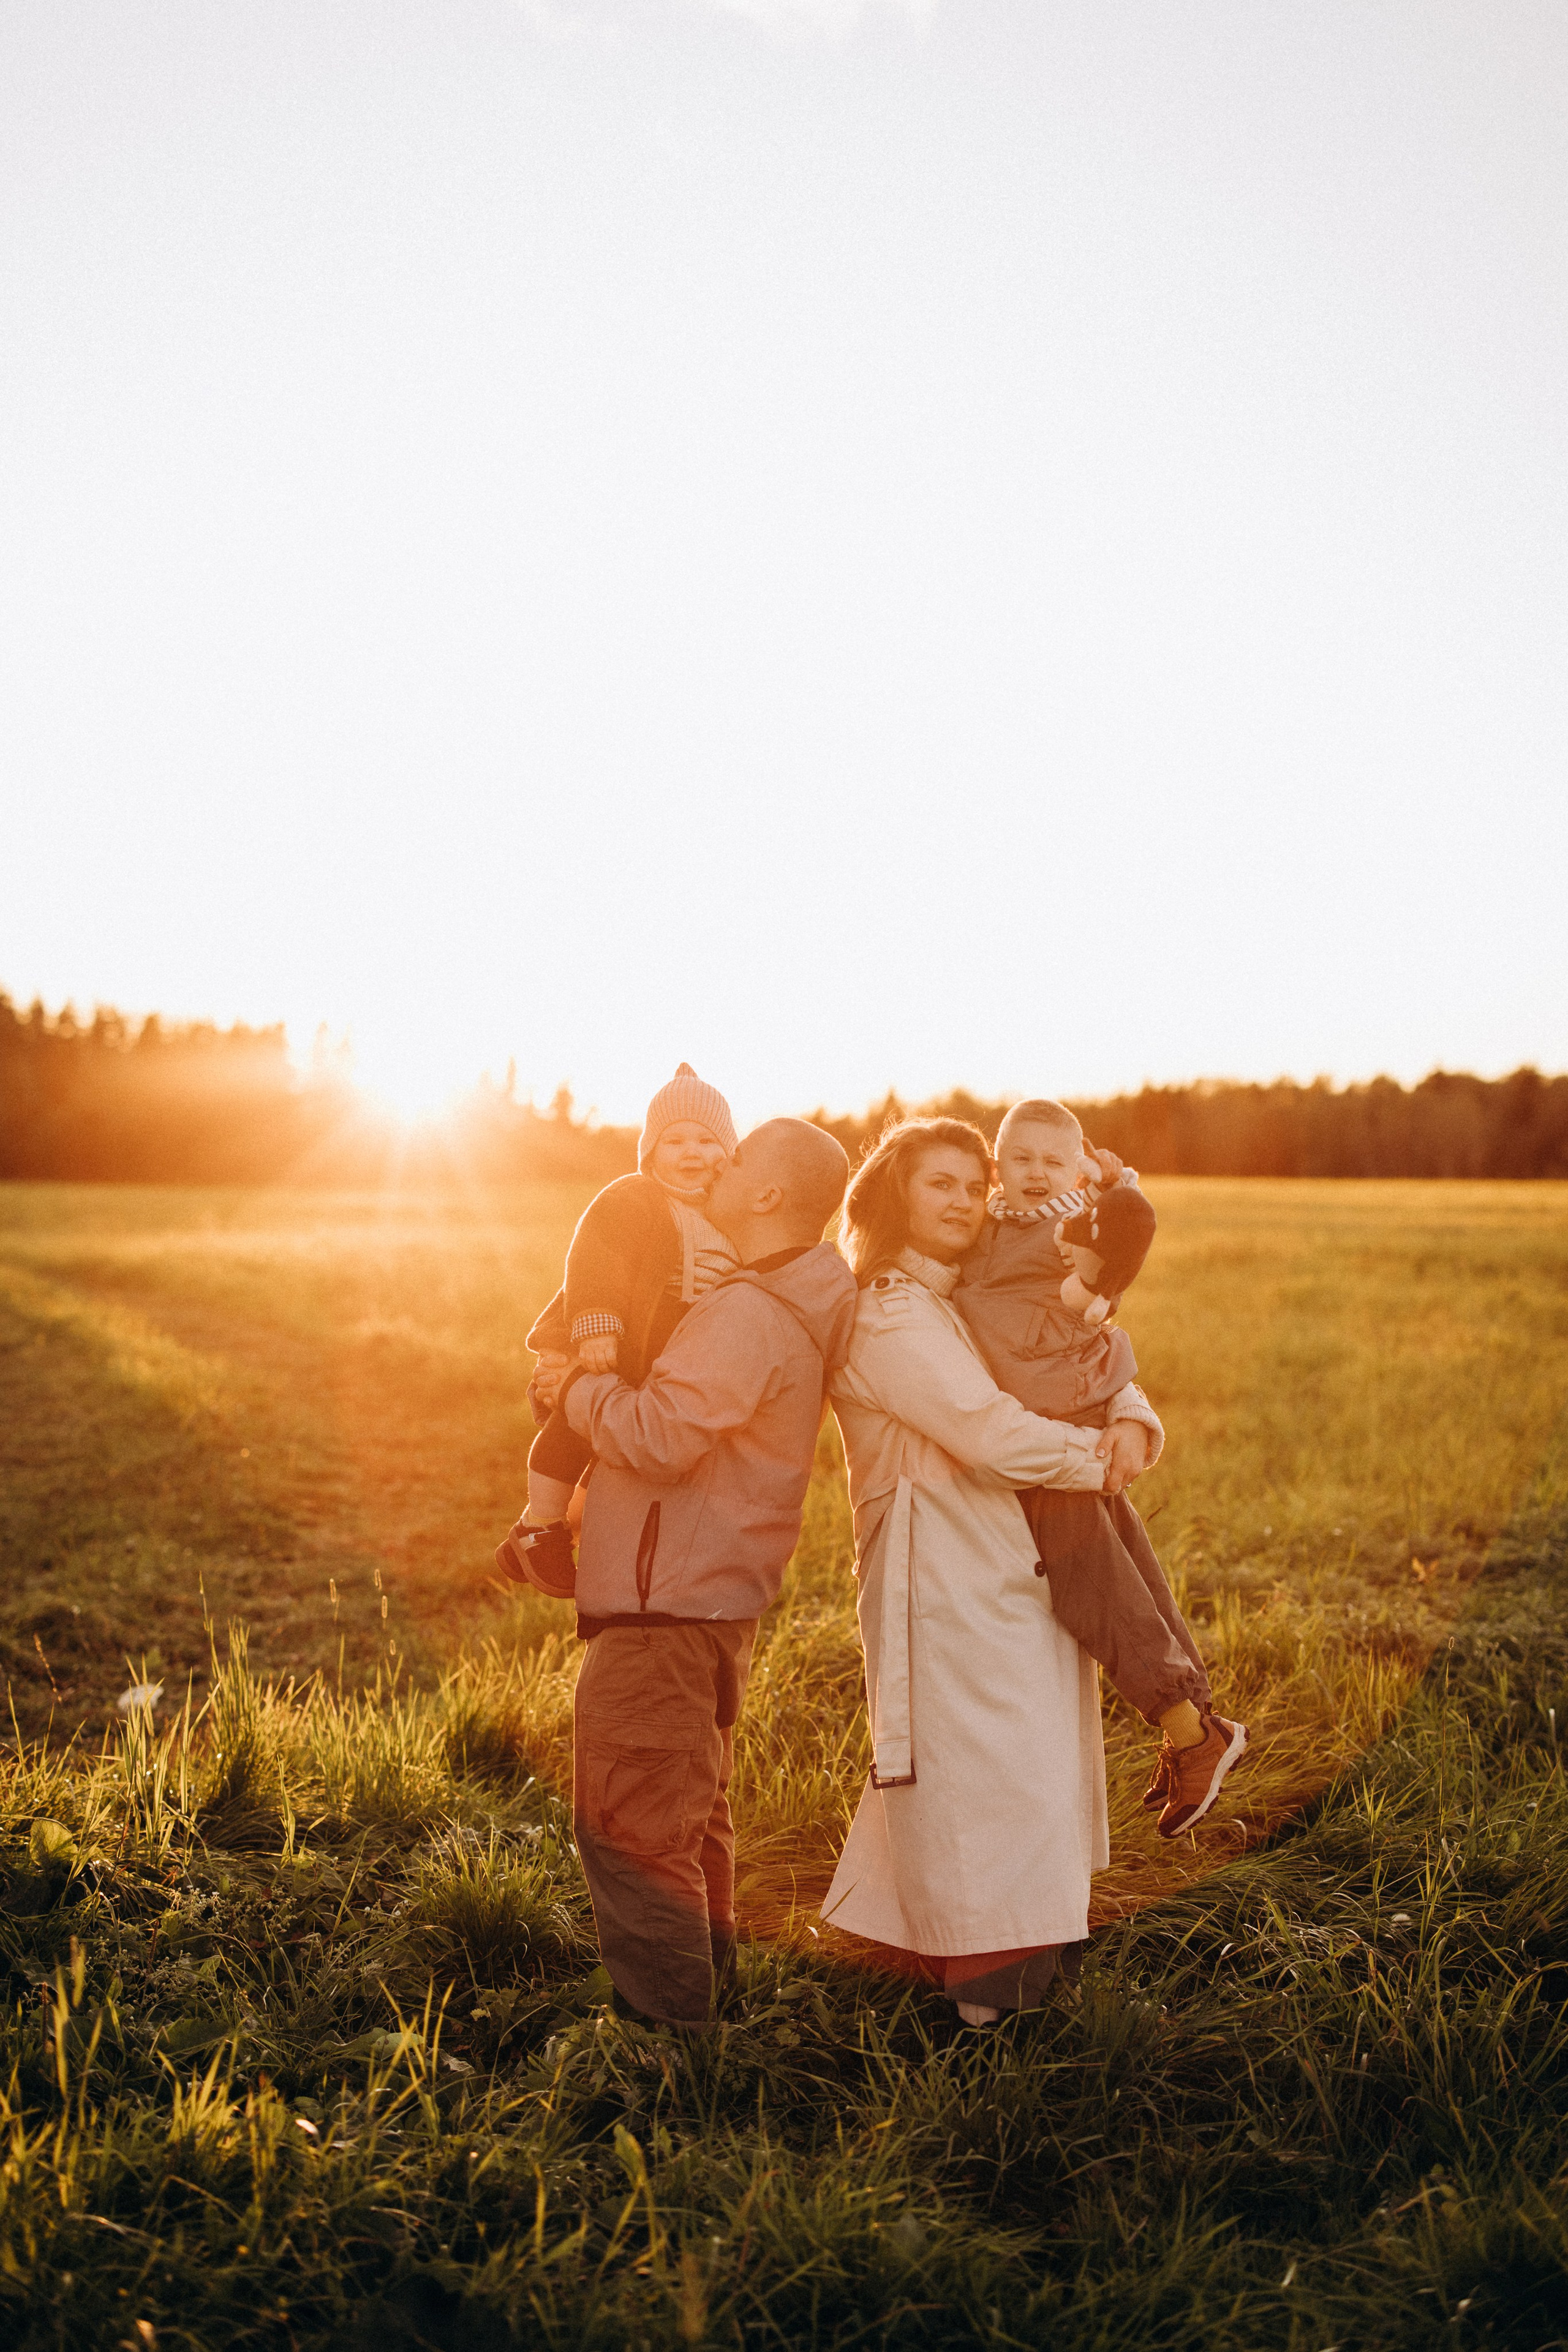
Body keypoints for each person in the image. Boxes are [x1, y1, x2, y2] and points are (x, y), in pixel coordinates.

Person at [821, 1117, 1166, 2027]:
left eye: (975, 1185)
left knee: (1022, 1761)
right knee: (979, 1768)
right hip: (934, 1570)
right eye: (941, 1184)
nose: (967, 1201)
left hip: (1005, 1557)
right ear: (896, 1194)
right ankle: (984, 1999)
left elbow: (1056, 1351)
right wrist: (1103, 1457)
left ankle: (966, 1963)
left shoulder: (965, 1295)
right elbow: (989, 1430)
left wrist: (1130, 1412)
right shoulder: (890, 1311)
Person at [532, 1117, 856, 2030]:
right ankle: (710, 2009)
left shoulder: (749, 1314)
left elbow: (658, 1435)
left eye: (739, 1153)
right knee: (687, 1815)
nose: (719, 1160)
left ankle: (666, 2055)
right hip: (703, 1599)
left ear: (763, 1195)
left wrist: (574, 1391)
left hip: (664, 1603)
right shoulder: (771, 1301)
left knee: (630, 1828)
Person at [953, 1097, 1248, 1834]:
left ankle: (1188, 1735)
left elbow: (1122, 1235)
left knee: (1092, 1590)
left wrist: (1110, 1187)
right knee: (1133, 1569)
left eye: (1053, 1161)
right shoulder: (987, 1223)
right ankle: (1204, 1725)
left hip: (1064, 1424)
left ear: (1075, 1165)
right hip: (1054, 1422)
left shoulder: (1075, 1224)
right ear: (998, 1162)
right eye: (1020, 1159)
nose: (1035, 1173)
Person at [494, 1064, 739, 1597]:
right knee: (571, 1431)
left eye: (706, 1139)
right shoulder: (636, 1196)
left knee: (611, 1447)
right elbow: (596, 1260)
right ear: (651, 1151)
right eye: (675, 1140)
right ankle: (539, 1526)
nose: (691, 1151)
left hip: (654, 1363)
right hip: (609, 1342)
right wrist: (596, 1327)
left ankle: (548, 1538)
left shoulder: (724, 1215)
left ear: (729, 1150)